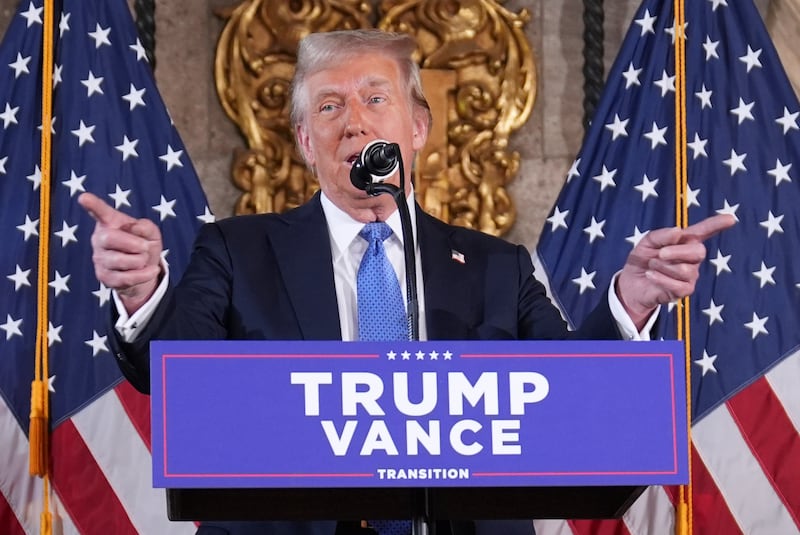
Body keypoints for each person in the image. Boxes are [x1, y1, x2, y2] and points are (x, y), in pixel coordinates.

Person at [78, 29, 734, 535]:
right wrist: (142, 293)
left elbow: (571, 397)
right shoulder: (236, 251)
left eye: (374, 97)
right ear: (306, 141)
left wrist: (629, 300)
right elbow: (175, 369)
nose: (354, 121)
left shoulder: (497, 267)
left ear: (417, 128)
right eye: (329, 106)